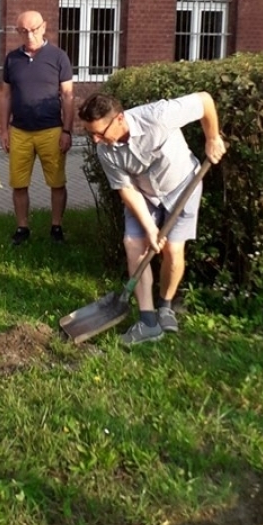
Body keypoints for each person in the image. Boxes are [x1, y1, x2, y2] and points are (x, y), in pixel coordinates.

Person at [78, 90, 226, 346]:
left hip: (182, 186)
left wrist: (212, 138)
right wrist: (149, 227)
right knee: (133, 243)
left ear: (120, 119)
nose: (96, 140)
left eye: (100, 133)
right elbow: (126, 189)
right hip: (143, 194)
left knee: (173, 250)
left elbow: (204, 101)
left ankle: (165, 306)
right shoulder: (105, 151)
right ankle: (148, 321)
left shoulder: (157, 116)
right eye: (91, 134)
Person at [0, 10, 74, 244]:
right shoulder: (12, 59)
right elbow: (6, 96)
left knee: (57, 182)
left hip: (51, 130)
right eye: (23, 30)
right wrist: (3, 130)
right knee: (19, 183)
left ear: (44, 27)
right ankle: (22, 228)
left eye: (33, 29)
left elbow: (68, 96)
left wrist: (67, 130)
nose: (29, 34)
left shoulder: (58, 57)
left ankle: (56, 228)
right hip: (19, 131)